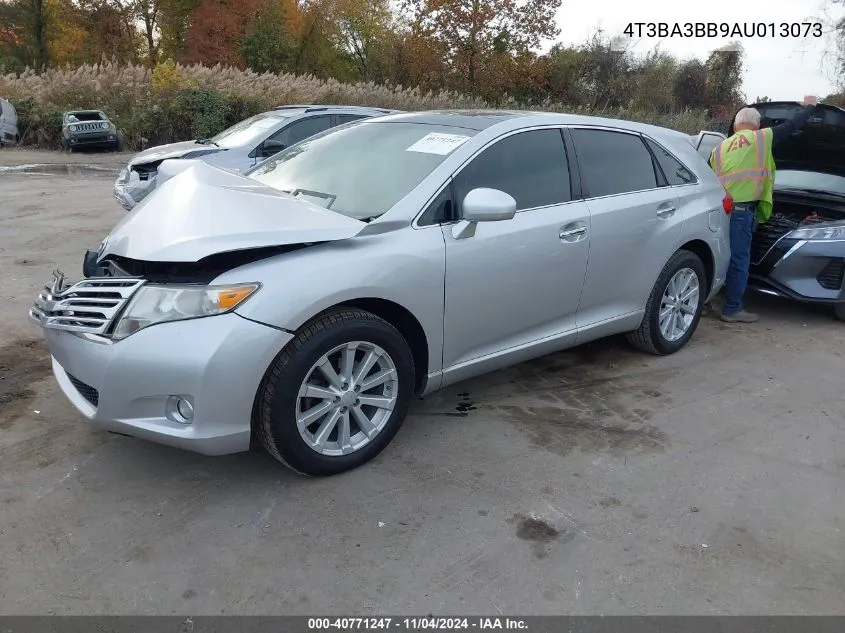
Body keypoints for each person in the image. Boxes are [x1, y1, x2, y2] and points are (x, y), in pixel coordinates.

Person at [709, 97, 820, 323]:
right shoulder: (761, 138)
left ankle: (705, 301)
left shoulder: (719, 148)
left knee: (717, 256)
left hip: (718, 211)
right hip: (741, 213)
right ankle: (732, 309)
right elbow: (791, 127)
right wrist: (810, 108)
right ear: (758, 125)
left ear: (735, 125)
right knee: (740, 260)